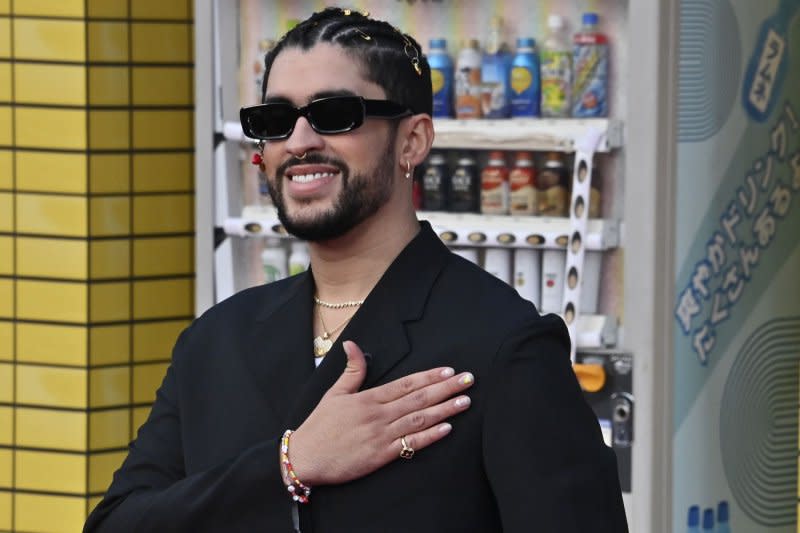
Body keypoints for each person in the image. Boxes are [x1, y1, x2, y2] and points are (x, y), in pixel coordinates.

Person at [84, 7, 628, 533]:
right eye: (276, 121)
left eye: (334, 114)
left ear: (411, 140)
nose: (299, 143)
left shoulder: (504, 346)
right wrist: (289, 464)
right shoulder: (216, 340)